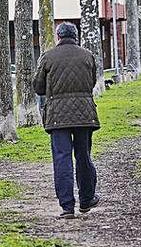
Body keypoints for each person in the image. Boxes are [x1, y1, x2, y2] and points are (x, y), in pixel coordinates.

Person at [34, 22, 100, 219]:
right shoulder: (87, 55)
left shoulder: (47, 57)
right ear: (75, 36)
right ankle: (87, 200)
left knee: (62, 159)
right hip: (84, 114)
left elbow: (38, 87)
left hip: (57, 117)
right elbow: (92, 82)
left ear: (58, 37)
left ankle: (67, 207)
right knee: (83, 156)